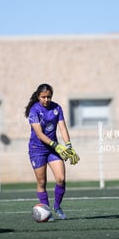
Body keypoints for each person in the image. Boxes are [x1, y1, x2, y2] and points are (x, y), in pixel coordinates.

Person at [24, 83, 78, 221]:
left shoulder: (57, 108)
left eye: (49, 97)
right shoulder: (34, 111)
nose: (46, 99)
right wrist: (57, 145)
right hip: (37, 150)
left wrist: (69, 146)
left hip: (53, 149)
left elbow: (63, 129)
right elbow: (40, 134)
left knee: (61, 178)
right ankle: (46, 212)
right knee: (42, 182)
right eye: (43, 97)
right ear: (38, 96)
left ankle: (57, 207)